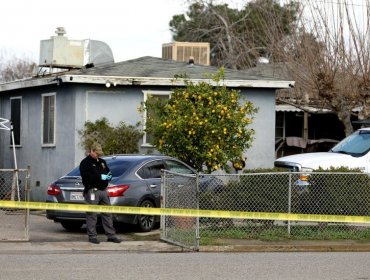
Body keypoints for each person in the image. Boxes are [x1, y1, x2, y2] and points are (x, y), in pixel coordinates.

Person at [79, 142, 121, 244]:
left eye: (99, 154)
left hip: (103, 190)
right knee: (92, 214)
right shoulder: (85, 163)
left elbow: (108, 173)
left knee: (107, 213)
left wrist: (107, 176)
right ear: (92, 151)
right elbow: (87, 177)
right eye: (97, 153)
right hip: (93, 190)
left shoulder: (102, 162)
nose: (98, 155)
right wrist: (101, 177)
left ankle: (111, 235)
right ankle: (92, 236)